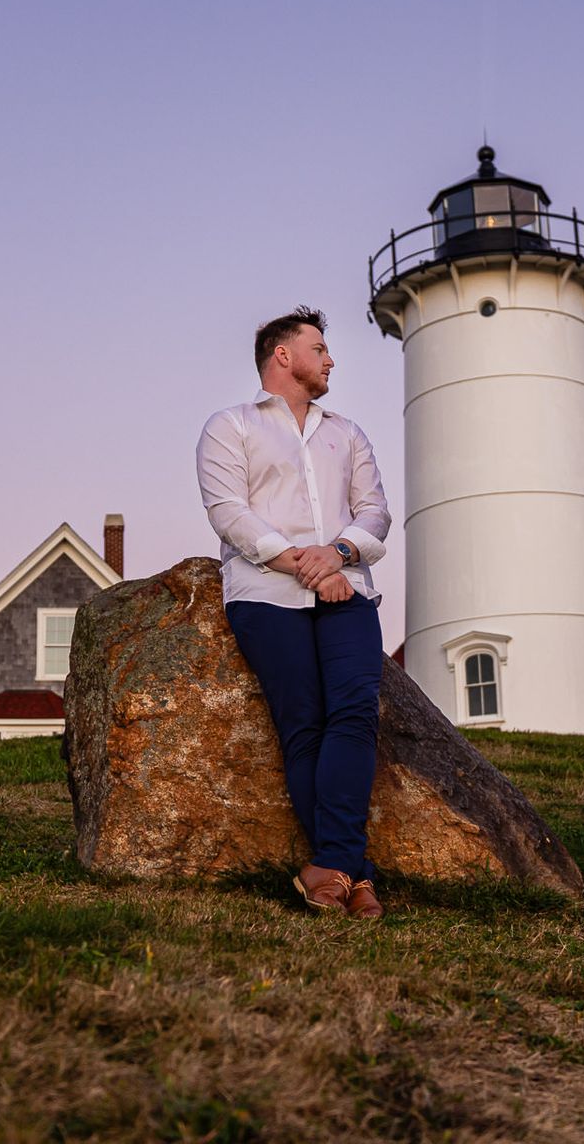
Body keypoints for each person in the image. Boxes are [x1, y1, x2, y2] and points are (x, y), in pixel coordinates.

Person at [196, 306, 393, 919]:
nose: (331, 358)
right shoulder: (230, 426)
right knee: (302, 723)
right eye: (320, 346)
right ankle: (353, 875)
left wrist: (335, 556)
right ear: (283, 354)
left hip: (347, 592)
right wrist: (304, 566)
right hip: (265, 596)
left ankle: (329, 866)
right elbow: (228, 512)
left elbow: (376, 515)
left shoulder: (349, 433)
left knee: (357, 712)